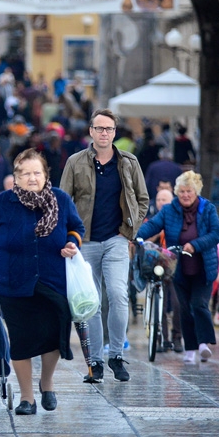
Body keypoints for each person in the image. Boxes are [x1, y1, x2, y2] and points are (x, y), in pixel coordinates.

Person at [0, 149, 85, 415]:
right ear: (15, 177)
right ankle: (27, 398)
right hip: (13, 282)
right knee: (21, 340)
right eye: (25, 173)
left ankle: (47, 383)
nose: (32, 178)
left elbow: (76, 228)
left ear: (46, 174)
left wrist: (72, 243)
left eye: (37, 172)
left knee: (53, 336)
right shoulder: (2, 203)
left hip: (53, 281)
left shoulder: (60, 199)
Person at [60, 108, 148, 383]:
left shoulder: (129, 162)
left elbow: (143, 199)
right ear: (91, 131)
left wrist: (129, 230)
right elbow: (63, 201)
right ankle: (95, 362)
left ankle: (117, 356)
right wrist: (67, 237)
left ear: (114, 132)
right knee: (92, 302)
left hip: (116, 239)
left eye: (108, 129)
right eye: (99, 128)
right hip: (85, 241)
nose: (104, 133)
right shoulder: (75, 162)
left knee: (119, 296)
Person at [138, 171, 219, 365]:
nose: (185, 195)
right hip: (179, 267)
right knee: (184, 308)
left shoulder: (207, 208)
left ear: (196, 191)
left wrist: (195, 245)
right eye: (182, 191)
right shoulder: (169, 210)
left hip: (203, 267)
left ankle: (203, 343)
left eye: (189, 191)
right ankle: (190, 349)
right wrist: (136, 236)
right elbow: (153, 225)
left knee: (199, 304)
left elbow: (216, 233)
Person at [148, 188, 183, 352]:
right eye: (159, 200)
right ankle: (161, 338)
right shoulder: (152, 219)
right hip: (157, 264)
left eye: (165, 200)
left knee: (177, 302)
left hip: (175, 264)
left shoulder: (177, 218)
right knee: (158, 302)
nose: (161, 203)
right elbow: (145, 238)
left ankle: (177, 337)